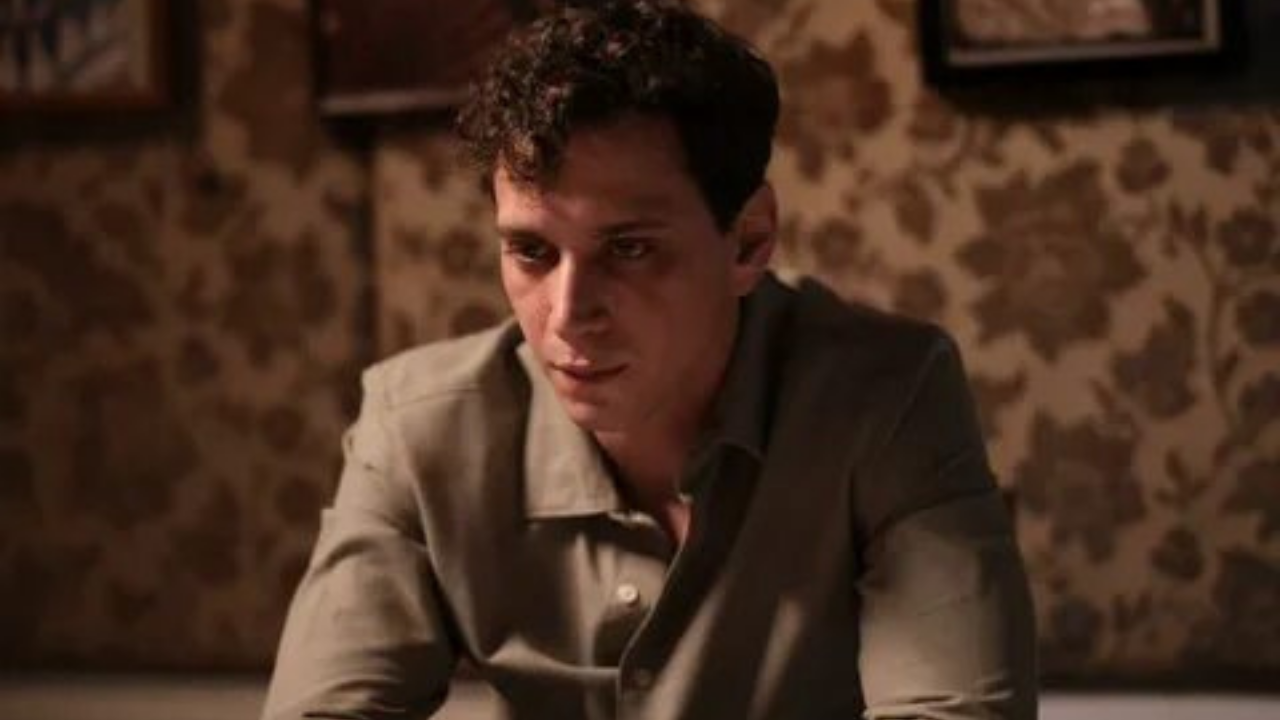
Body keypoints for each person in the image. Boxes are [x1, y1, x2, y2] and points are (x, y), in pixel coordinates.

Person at [261, 2, 1037, 718]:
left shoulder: (888, 397)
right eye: (530, 251)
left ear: (749, 241)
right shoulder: (416, 428)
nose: (568, 314)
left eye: (629, 249)